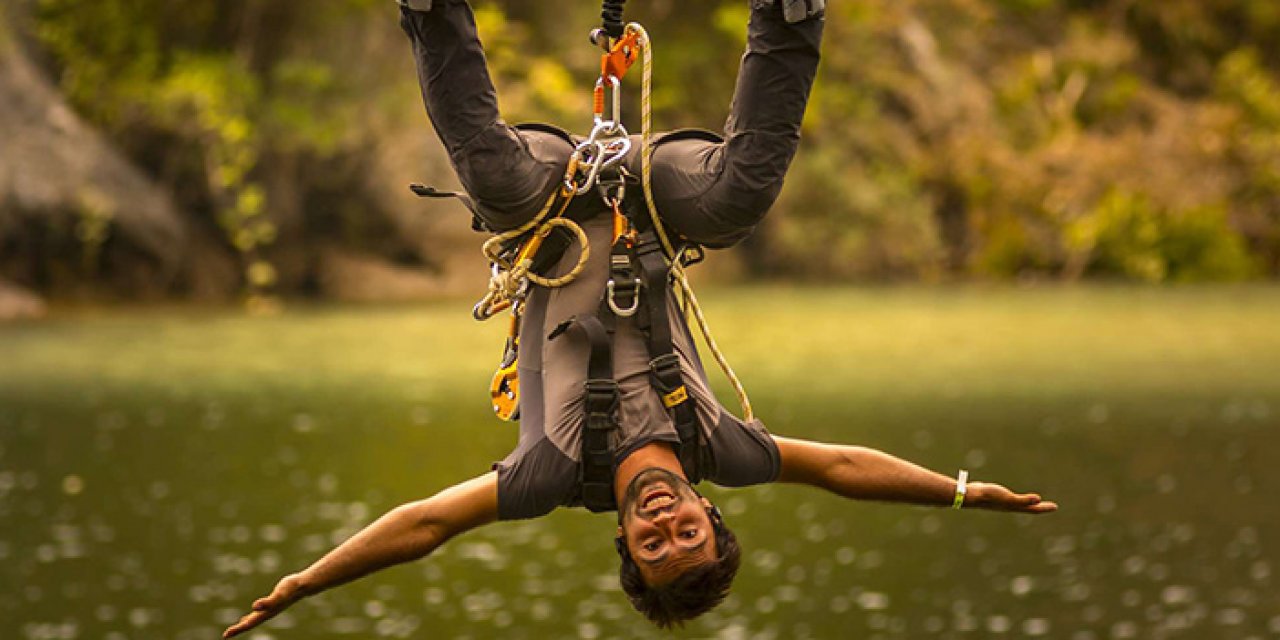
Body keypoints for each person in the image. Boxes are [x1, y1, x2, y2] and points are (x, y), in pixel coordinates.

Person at [223, 0, 1057, 636]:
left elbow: (426, 527)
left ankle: (429, 10)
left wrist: (306, 583)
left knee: (496, 181)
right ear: (709, 509)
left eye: (655, 546)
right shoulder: (718, 444)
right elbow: (840, 468)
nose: (665, 525)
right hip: (656, 197)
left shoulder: (549, 473)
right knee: (737, 204)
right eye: (688, 532)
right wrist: (959, 493)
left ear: (624, 542)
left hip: (544, 196)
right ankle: (792, 13)